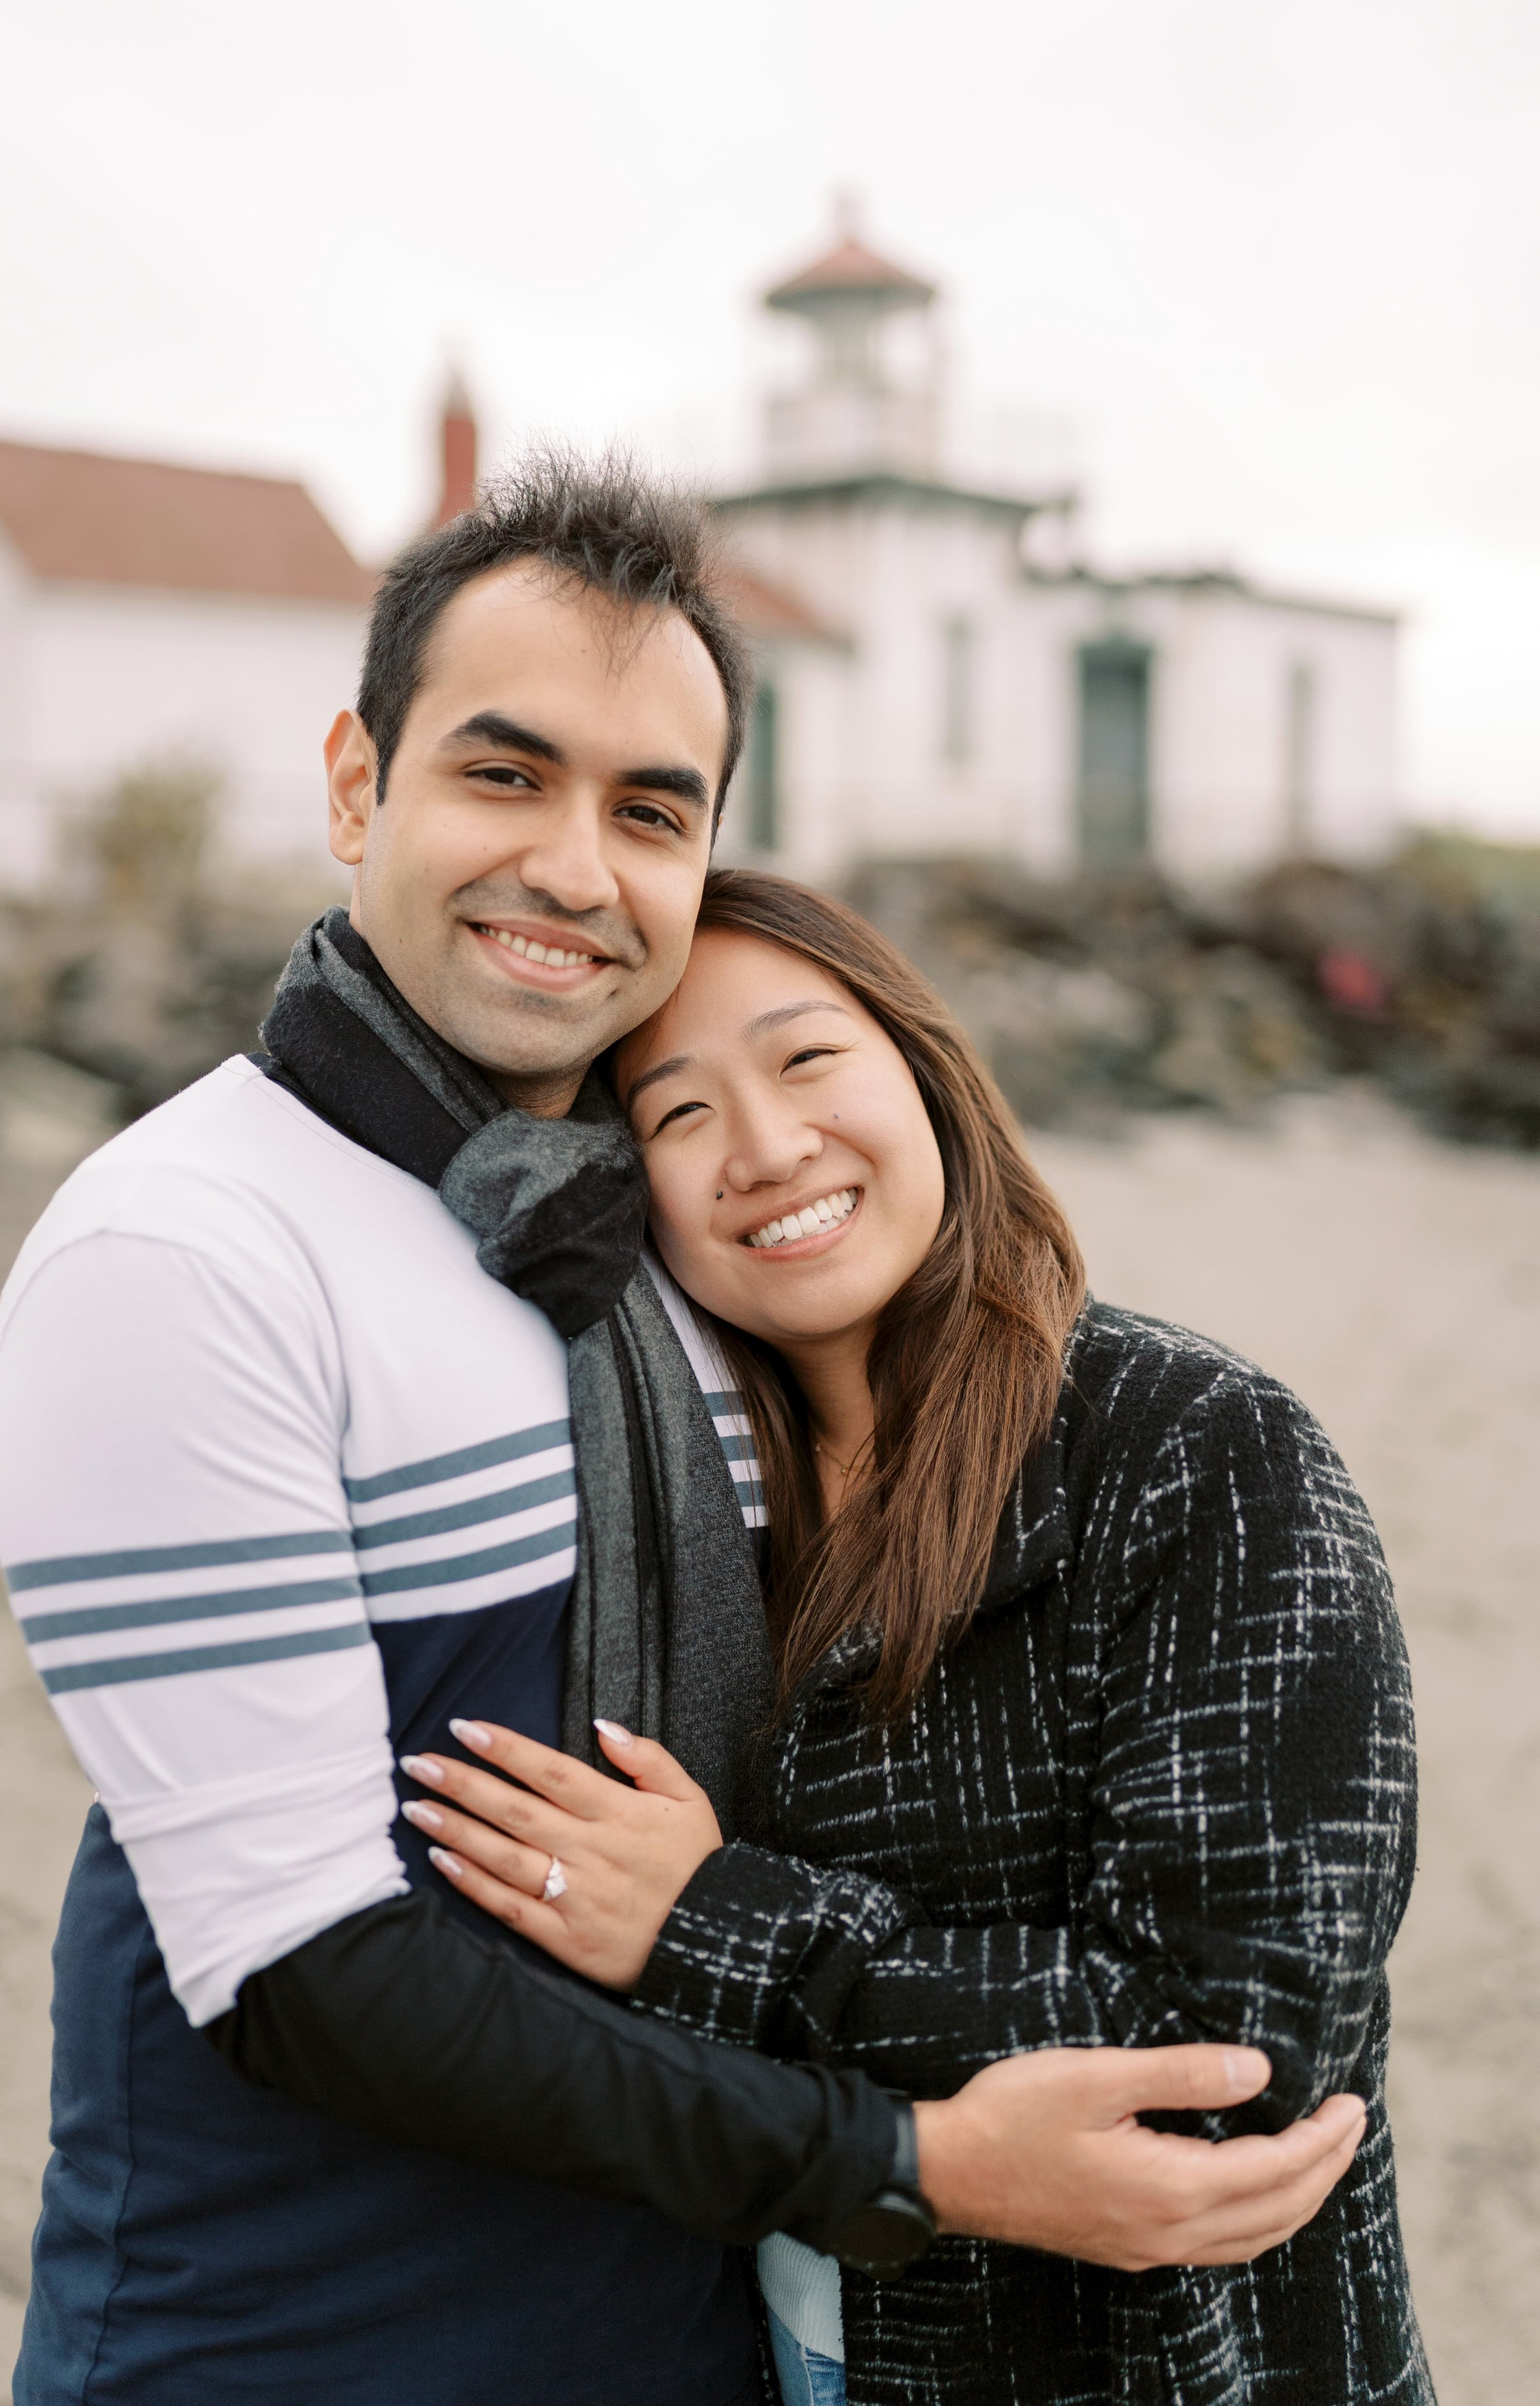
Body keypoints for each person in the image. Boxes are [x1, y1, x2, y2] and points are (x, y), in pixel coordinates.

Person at [0, 461, 1368, 2406]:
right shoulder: (183, 1250)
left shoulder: (628, 1245)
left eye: (652, 810)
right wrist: (911, 2164)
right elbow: (301, 1972)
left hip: (700, 2325)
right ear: (357, 783)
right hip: (303, 2334)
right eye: (503, 772)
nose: (574, 865)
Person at [394, 868, 1433, 2406]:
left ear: (925, 1077)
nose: (762, 1147)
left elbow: (1226, 2055)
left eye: (808, 1060)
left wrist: (713, 1926)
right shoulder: (689, 1517)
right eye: (677, 1117)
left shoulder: (1192, 1450)